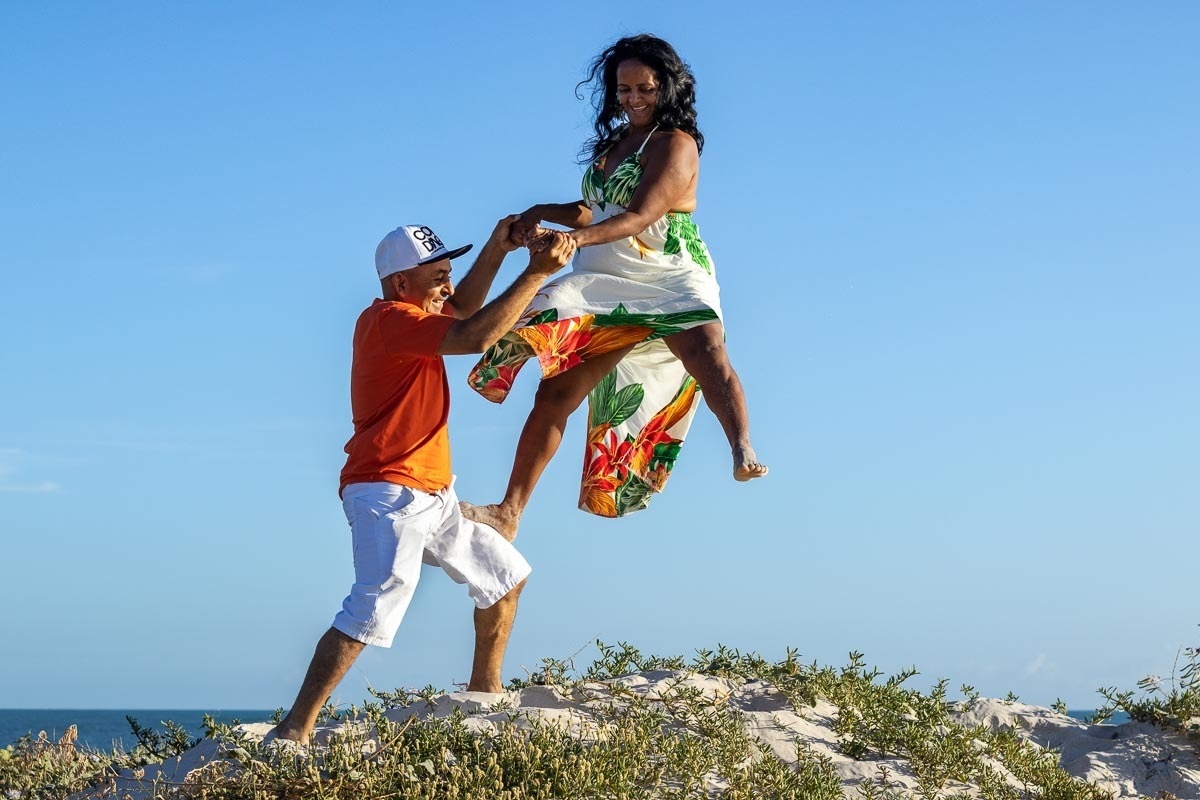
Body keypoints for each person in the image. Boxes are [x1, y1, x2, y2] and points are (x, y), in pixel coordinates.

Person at [269, 218, 576, 744]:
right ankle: (296, 727)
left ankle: (484, 693)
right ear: (401, 284)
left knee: (504, 577)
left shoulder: (414, 312)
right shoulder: (389, 320)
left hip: (433, 494)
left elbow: (464, 308)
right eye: (438, 278)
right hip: (388, 489)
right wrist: (536, 272)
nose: (448, 288)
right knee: (374, 603)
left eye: (448, 274)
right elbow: (476, 334)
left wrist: (499, 249)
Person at [463, 34, 766, 533]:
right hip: (606, 276)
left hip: (668, 273)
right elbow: (597, 208)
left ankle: (742, 448)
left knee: (707, 350)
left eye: (643, 88)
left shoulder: (677, 144)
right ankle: (508, 512)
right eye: (623, 90)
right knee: (556, 390)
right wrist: (543, 212)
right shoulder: (615, 144)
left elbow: (640, 214)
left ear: (667, 87)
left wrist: (573, 240)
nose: (633, 99)